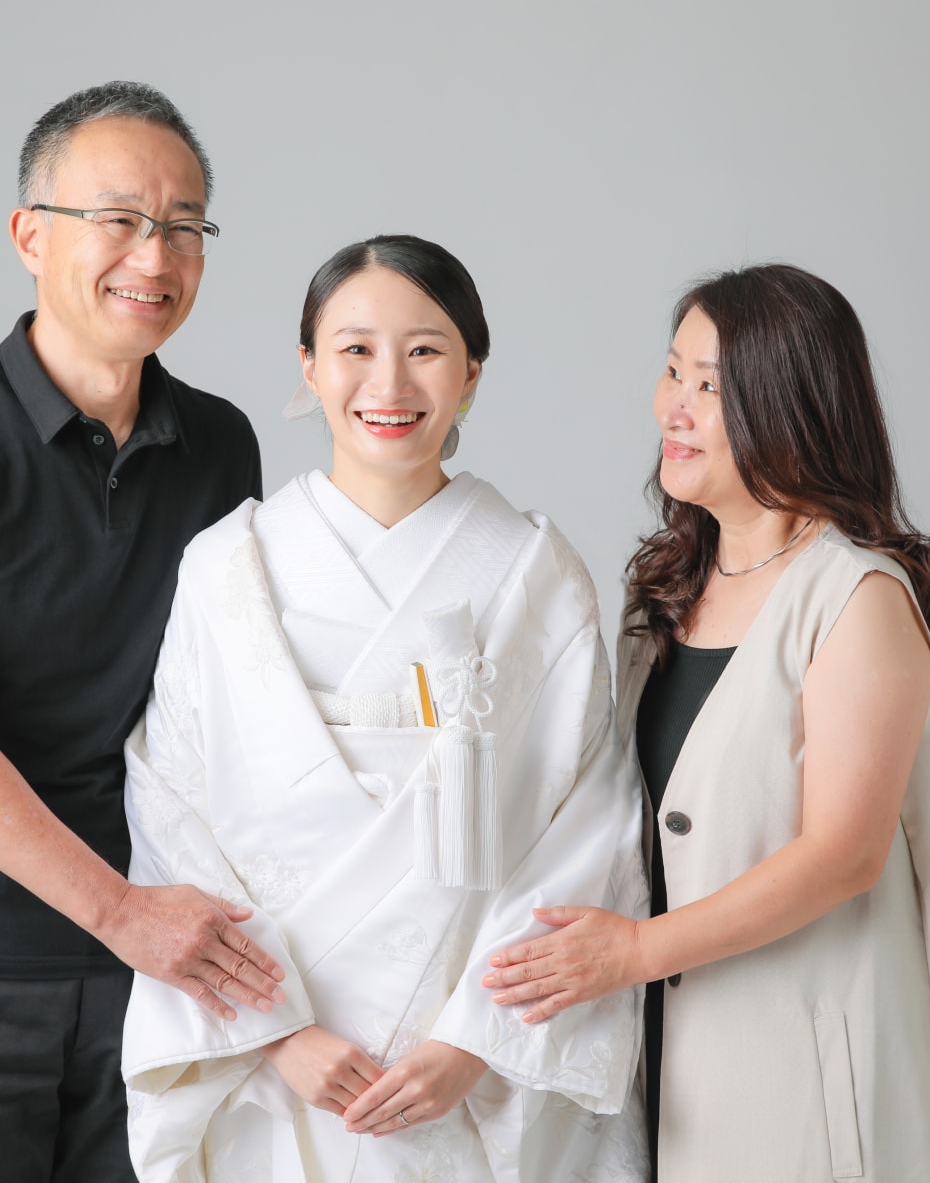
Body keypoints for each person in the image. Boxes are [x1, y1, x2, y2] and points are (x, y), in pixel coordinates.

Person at [118, 235, 650, 1183]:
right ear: (308, 366)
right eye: (356, 348)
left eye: (426, 349)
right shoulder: (227, 565)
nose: (389, 383)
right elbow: (172, 811)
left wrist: (474, 1043)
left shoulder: (535, 571)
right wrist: (276, 1036)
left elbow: (590, 822)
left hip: (469, 1065)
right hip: (277, 1056)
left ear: (471, 373)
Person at [0, 81, 287, 1183]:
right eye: (120, 218)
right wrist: (120, 912)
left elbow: (232, 703)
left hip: (159, 970)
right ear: (30, 236)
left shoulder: (222, 446)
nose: (156, 254)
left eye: (185, 226)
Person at [482, 263, 930, 1180]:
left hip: (806, 1065)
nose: (672, 409)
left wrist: (634, 951)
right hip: (671, 1064)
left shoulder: (857, 597)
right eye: (671, 372)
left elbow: (844, 852)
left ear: (792, 407)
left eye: (710, 388)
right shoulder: (663, 592)